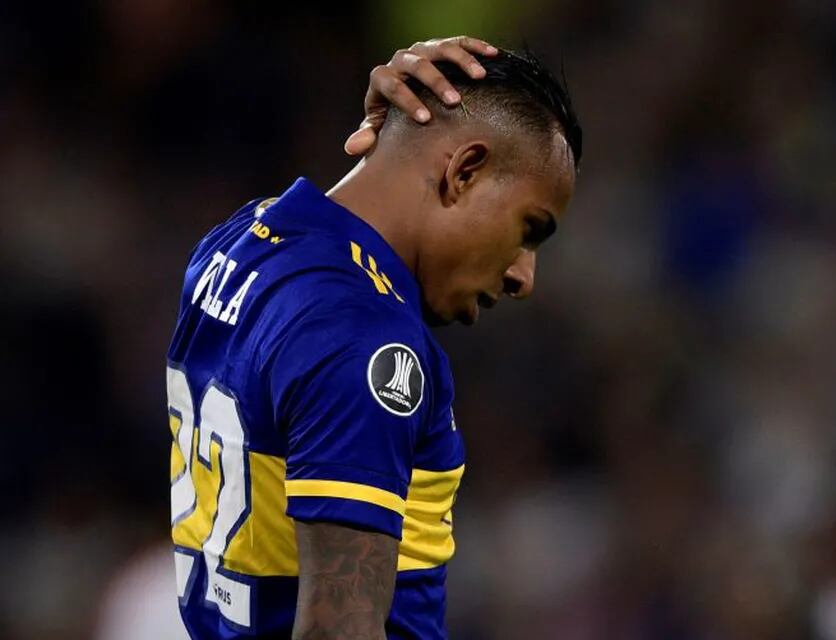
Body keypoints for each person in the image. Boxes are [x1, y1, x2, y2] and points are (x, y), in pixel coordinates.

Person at [167, 35, 581, 639]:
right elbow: (337, 630)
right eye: (529, 229)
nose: (523, 275)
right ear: (464, 170)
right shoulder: (367, 339)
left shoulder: (238, 242)